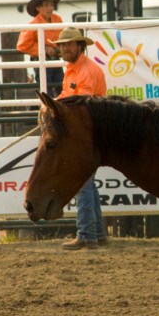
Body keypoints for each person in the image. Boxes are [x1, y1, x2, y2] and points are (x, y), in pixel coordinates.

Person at [49, 27, 109, 251]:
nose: (64, 48)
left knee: (82, 183)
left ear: (79, 46)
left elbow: (81, 105)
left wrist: (55, 107)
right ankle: (97, 234)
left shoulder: (85, 72)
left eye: (69, 44)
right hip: (87, 132)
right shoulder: (75, 69)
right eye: (63, 44)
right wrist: (53, 103)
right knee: (87, 184)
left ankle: (86, 234)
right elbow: (69, 97)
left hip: (87, 133)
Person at [16, 0, 64, 96]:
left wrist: (59, 49)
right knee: (47, 92)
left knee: (62, 88)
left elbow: (62, 36)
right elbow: (22, 45)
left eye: (51, 5)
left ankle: (61, 111)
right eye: (46, 5)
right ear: (37, 8)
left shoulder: (58, 19)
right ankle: (49, 111)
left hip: (56, 59)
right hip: (41, 60)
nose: (49, 8)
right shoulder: (33, 24)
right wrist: (43, 49)